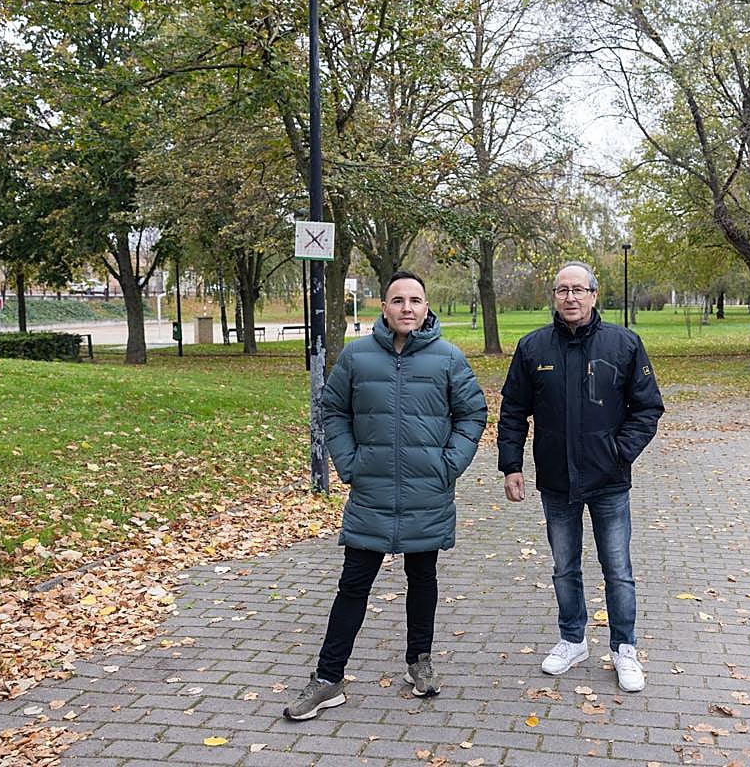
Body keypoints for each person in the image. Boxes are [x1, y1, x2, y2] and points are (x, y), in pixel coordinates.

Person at [284, 270, 487, 720]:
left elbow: (473, 413)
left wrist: (447, 463)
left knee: (423, 580)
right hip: (371, 492)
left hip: (426, 491)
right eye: (398, 300)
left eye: (415, 300)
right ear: (384, 306)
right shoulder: (357, 357)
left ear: (426, 305)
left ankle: (420, 662)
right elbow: (332, 409)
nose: (407, 308)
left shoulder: (449, 358)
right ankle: (327, 678)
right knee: (353, 586)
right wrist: (348, 462)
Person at [497, 261, 664, 693]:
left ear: (594, 295)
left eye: (578, 290)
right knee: (564, 566)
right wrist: (511, 465)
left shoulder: (623, 344)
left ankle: (624, 647)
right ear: (554, 297)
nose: (570, 297)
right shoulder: (533, 348)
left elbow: (647, 409)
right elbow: (513, 411)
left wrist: (618, 452)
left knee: (618, 569)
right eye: (562, 290)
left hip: (609, 481)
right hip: (556, 481)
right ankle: (573, 639)